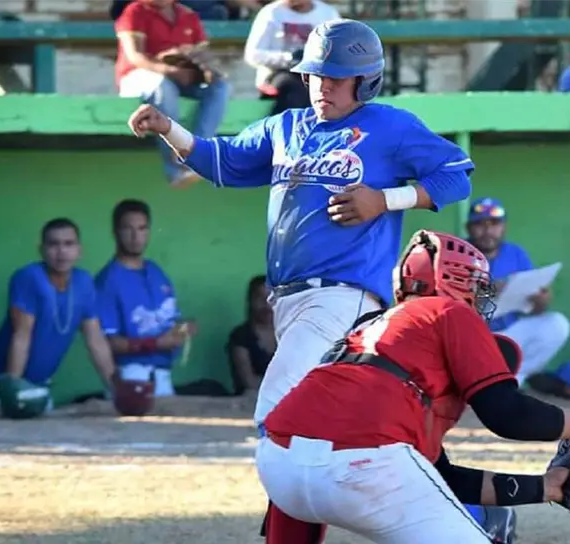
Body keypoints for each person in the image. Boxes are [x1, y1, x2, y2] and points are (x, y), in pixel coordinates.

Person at [127, 18, 474, 540]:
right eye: (314, 76)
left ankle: (303, 524)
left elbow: (457, 173)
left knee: (277, 418)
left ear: (367, 81)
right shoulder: (286, 126)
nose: (322, 86)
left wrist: (386, 199)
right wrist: (167, 128)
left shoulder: (391, 127)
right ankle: (470, 509)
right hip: (289, 303)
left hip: (344, 299)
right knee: (331, 432)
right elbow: (222, 162)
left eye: (336, 78)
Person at [257, 230, 570, 542]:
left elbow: (437, 475)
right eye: (479, 290)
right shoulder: (449, 310)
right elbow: (505, 414)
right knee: (489, 527)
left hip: (277, 465)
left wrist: (546, 488)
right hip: (363, 465)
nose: (482, 301)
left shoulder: (368, 333)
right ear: (459, 283)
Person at [0, 219, 116, 415]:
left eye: (69, 244)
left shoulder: (84, 283)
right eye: (53, 244)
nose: (61, 251)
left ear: (79, 250)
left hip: (38, 387)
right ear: (41, 250)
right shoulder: (29, 278)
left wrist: (115, 389)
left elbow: (96, 340)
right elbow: (21, 336)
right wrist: (12, 390)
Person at [115, 0, 231, 187]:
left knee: (220, 87)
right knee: (163, 85)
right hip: (137, 76)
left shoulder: (188, 14)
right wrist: (170, 71)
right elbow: (136, 56)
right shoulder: (135, 11)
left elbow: (203, 53)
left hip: (181, 78)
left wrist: (208, 70)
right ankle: (176, 168)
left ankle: (200, 155)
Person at [465, 197, 570, 386]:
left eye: (495, 224)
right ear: (469, 228)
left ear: (504, 227)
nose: (488, 231)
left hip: (509, 334)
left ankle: (514, 379)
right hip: (472, 339)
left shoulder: (515, 253)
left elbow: (531, 307)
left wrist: (540, 301)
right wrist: (489, 290)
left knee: (557, 324)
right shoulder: (460, 253)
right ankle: (480, 384)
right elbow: (448, 304)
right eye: (480, 224)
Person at [95, 200, 196, 397]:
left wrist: (183, 329)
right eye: (128, 228)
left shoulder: (156, 272)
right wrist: (157, 343)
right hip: (129, 377)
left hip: (164, 377)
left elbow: (167, 322)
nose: (135, 236)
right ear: (115, 232)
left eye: (142, 228)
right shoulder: (107, 280)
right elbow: (106, 343)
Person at [244, 0, 340, 115]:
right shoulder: (271, 13)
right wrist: (289, 58)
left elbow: (338, 49)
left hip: (316, 71)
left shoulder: (327, 13)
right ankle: (284, 128)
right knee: (296, 87)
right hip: (279, 73)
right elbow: (253, 54)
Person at [225, 275, 276, 395]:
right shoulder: (241, 336)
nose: (266, 304)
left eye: (271, 298)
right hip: (248, 403)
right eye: (260, 298)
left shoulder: (287, 334)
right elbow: (249, 382)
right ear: (250, 300)